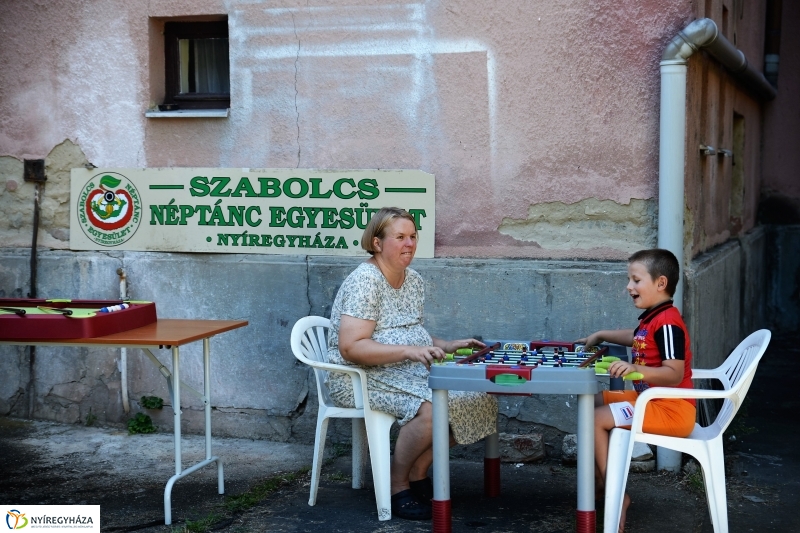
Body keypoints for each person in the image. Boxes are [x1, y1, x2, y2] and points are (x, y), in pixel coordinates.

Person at [326, 207, 498, 521]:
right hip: (360, 377)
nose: (409, 244)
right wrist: (408, 352)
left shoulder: (413, 279)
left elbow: (409, 329)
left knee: (475, 398)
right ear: (377, 243)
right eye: (400, 237)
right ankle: (396, 484)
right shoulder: (365, 282)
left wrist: (445, 345)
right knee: (433, 407)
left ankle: (418, 471)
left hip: (404, 371)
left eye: (413, 236)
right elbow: (351, 347)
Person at [576, 248, 696, 533]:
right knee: (589, 403)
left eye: (635, 280)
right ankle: (598, 485)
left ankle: (616, 496)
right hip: (650, 402)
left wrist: (633, 370)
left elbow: (674, 372)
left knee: (594, 419)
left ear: (661, 283)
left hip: (672, 410)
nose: (629, 286)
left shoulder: (668, 324)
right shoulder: (654, 317)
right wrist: (601, 334)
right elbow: (636, 337)